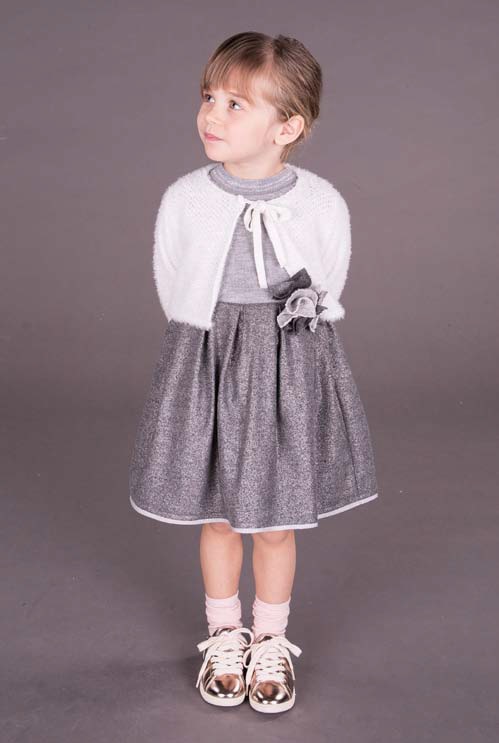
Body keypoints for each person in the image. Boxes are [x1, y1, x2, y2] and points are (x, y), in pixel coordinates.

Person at [128, 31, 379, 714]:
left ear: (286, 127)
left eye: (236, 104)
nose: (212, 114)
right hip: (208, 357)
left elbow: (327, 278)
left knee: (273, 519)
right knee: (217, 513)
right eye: (208, 97)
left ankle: (269, 637)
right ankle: (223, 632)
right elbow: (173, 280)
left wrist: (284, 335)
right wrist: (213, 344)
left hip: (286, 363)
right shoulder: (186, 198)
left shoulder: (320, 201)